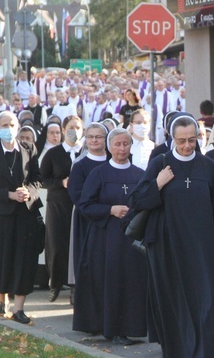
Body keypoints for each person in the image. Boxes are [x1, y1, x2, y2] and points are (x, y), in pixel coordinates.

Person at [128, 115, 214, 358]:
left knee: (207, 299)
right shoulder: (161, 163)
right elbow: (137, 201)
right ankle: (179, 357)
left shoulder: (207, 166)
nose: (187, 146)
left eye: (192, 140)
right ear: (172, 139)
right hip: (167, 245)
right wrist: (158, 183)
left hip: (201, 245)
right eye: (181, 141)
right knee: (175, 300)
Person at [74, 128, 147, 345]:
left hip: (131, 238)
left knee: (131, 281)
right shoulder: (99, 173)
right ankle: (112, 329)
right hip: (105, 237)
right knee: (111, 280)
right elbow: (85, 204)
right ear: (109, 146)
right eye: (117, 144)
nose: (122, 149)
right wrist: (110, 210)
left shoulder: (139, 174)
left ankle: (130, 328)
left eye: (126, 144)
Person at [0, 111, 43, 324]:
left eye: (12, 124)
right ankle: (2, 302)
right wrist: (7, 195)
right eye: (4, 125)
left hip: (25, 213)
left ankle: (19, 308)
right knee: (3, 257)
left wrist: (28, 192)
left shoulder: (28, 148)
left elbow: (37, 178)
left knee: (23, 259)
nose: (8, 129)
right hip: (3, 214)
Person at [40, 115, 84, 302]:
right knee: (57, 245)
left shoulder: (85, 153)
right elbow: (42, 179)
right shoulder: (53, 154)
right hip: (58, 205)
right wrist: (61, 182)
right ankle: (55, 283)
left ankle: (76, 287)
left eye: (78, 127)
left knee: (78, 245)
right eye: (71, 127)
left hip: (80, 206)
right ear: (64, 130)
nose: (75, 131)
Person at [67, 123, 109, 292]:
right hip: (87, 221)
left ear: (106, 139)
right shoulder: (80, 165)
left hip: (111, 220)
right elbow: (77, 195)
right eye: (90, 137)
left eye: (98, 137)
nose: (94, 140)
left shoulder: (113, 161)